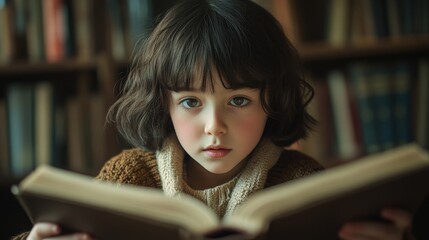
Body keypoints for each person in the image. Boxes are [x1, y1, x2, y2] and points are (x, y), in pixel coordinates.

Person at [14, 0, 413, 239]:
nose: (214, 126)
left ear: (271, 101)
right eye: (190, 102)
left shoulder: (301, 182)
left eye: (238, 99)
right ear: (163, 106)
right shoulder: (129, 176)